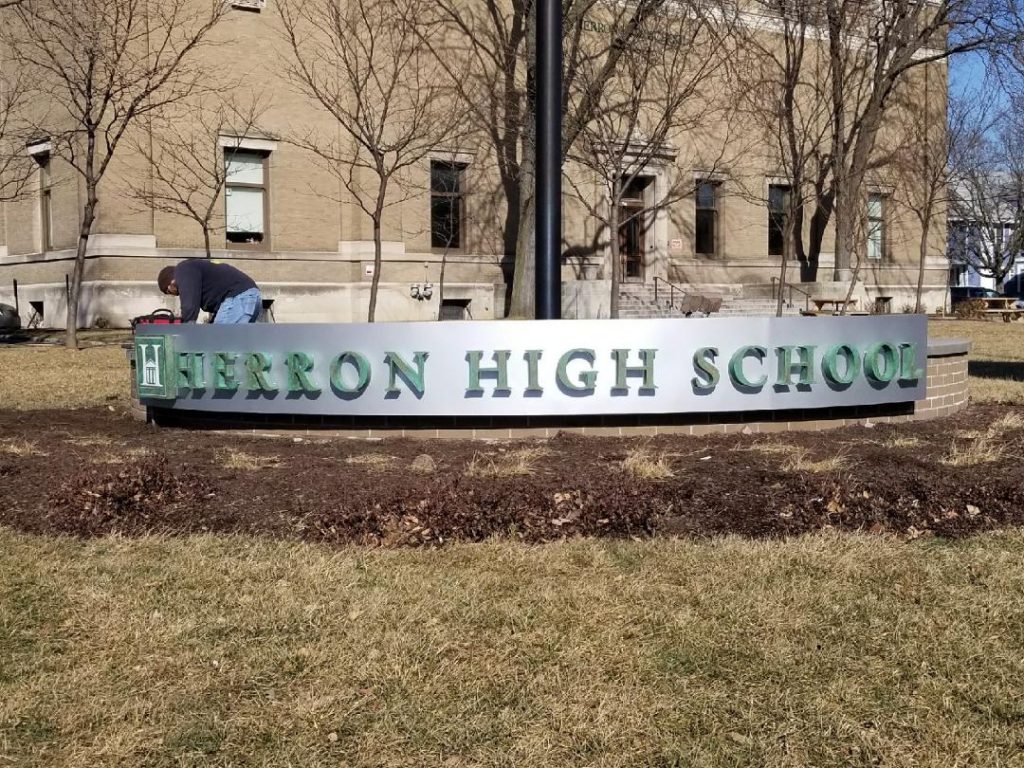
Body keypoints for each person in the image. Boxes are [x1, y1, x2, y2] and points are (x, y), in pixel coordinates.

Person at [158, 259, 262, 324]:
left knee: (216, 344)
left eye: (168, 292)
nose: (174, 295)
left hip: (239, 297)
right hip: (251, 296)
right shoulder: (194, 270)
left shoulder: (183, 269)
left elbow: (189, 305)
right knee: (237, 346)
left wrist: (186, 330)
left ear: (171, 284)